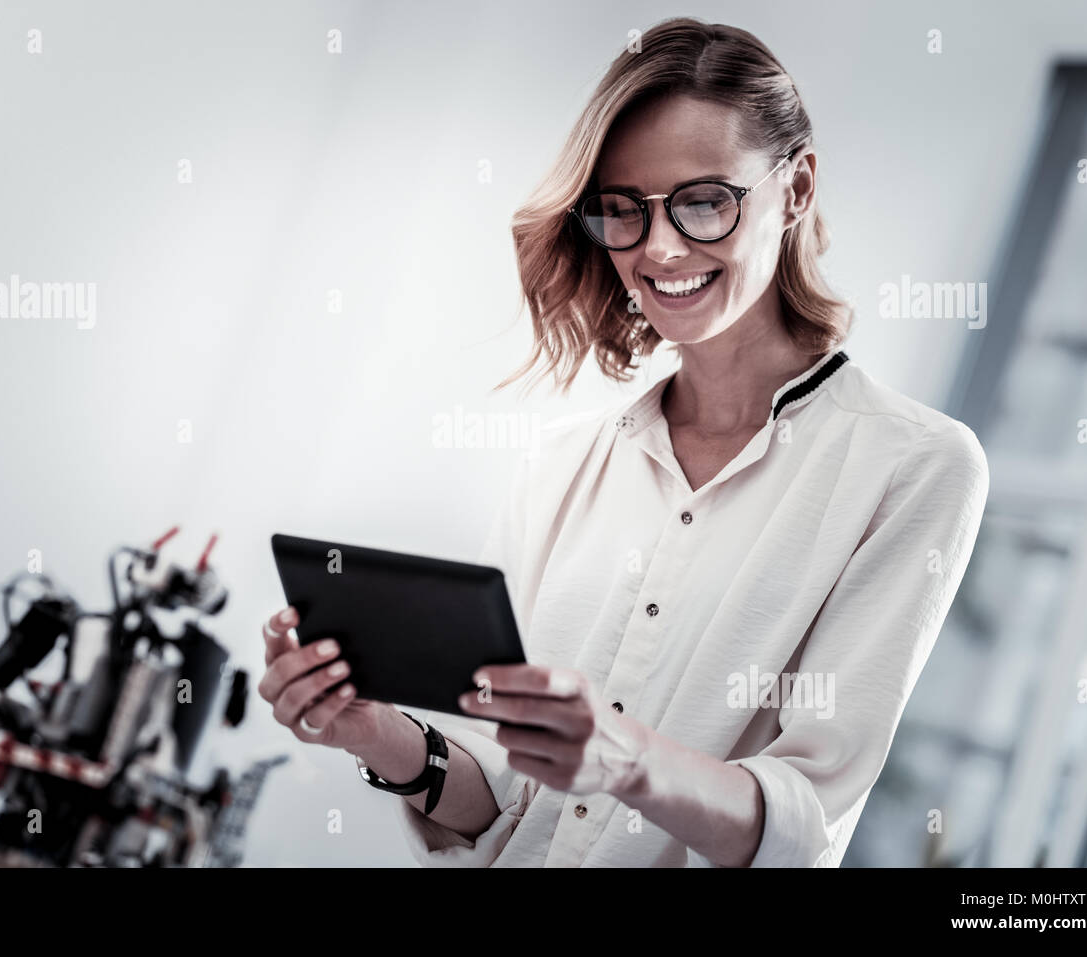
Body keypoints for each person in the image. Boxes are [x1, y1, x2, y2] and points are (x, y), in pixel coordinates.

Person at [258, 17, 989, 867]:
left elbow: (803, 827)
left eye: (706, 200)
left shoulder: (913, 467)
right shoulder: (563, 463)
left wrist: (623, 757)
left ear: (796, 190)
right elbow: (496, 805)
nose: (661, 247)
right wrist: (375, 731)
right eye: (622, 211)